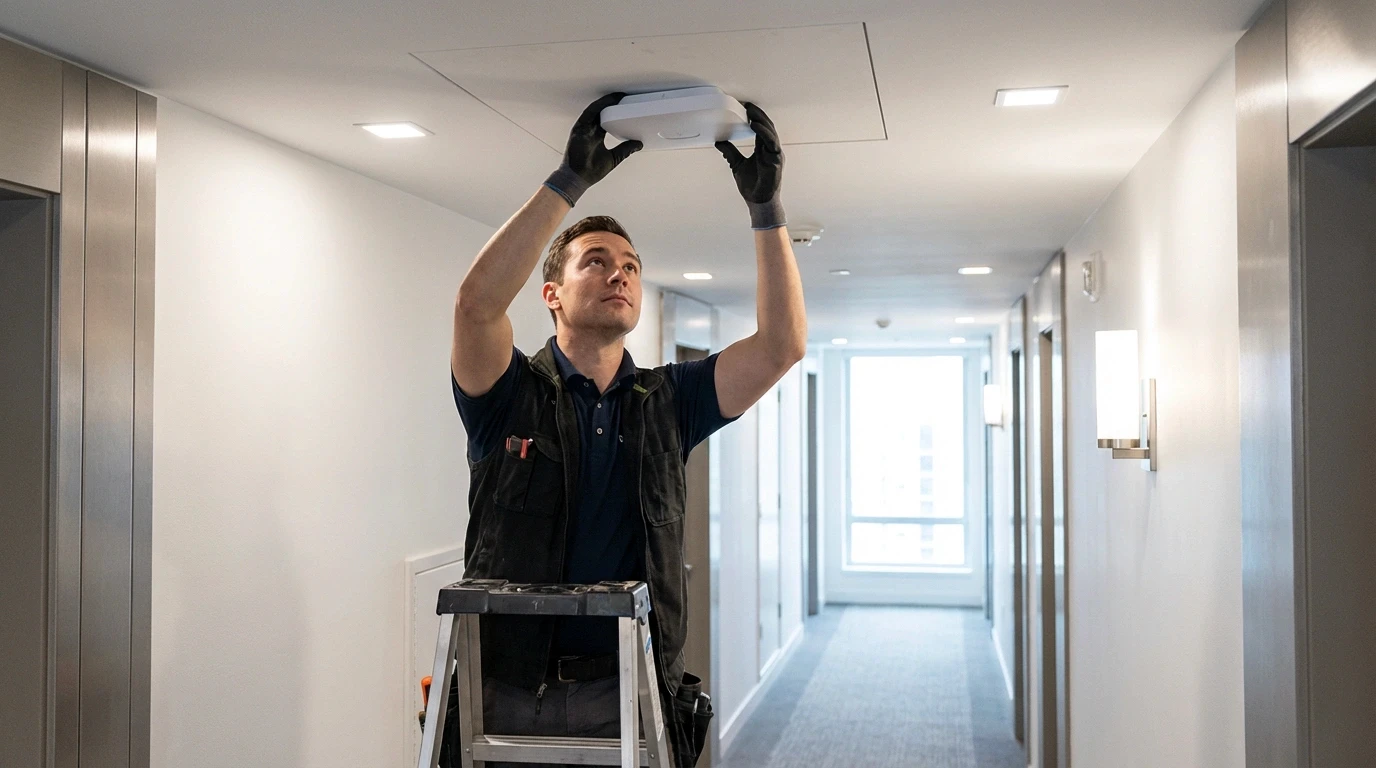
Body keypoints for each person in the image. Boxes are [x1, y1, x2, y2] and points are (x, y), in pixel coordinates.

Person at [447, 92, 806, 767]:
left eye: (631, 267)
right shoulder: (507, 393)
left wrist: (767, 210)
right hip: (507, 691)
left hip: (627, 690)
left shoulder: (670, 400)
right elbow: (475, 304)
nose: (619, 273)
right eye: (595, 261)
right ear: (551, 293)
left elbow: (783, 344)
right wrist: (569, 180)